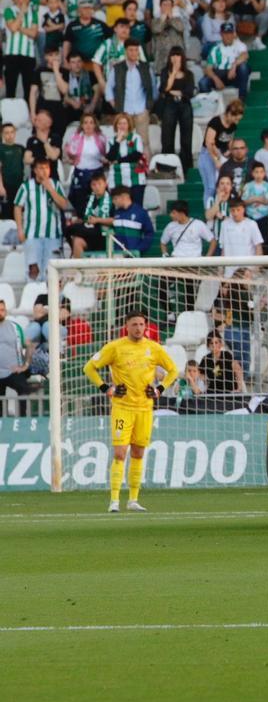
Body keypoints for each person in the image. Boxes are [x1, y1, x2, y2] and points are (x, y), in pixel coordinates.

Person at [83, 310, 179, 513]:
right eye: (134, 324)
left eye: (141, 324)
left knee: (138, 452)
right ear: (127, 326)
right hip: (122, 408)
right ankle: (114, 500)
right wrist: (106, 388)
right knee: (120, 453)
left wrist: (159, 389)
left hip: (145, 408)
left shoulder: (153, 348)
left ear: (146, 326)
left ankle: (133, 499)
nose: (138, 328)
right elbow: (89, 368)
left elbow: (173, 371)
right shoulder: (115, 348)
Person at [14, 157, 69, 282]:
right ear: (35, 170)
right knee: (33, 270)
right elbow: (17, 207)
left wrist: (50, 189)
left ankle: (50, 300)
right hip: (32, 235)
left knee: (52, 272)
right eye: (41, 168)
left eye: (46, 168)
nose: (44, 171)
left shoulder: (56, 184)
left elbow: (64, 205)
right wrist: (20, 230)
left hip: (53, 235)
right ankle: (34, 299)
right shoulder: (26, 186)